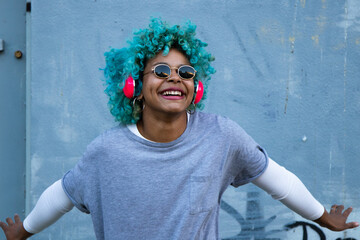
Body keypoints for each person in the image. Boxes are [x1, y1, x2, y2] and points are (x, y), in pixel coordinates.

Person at [0, 17, 358, 240]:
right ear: (133, 87)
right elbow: (61, 195)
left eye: (186, 73)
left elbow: (277, 178)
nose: (175, 77)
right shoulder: (105, 153)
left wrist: (323, 217)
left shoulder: (222, 137)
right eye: (160, 71)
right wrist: (24, 230)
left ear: (196, 87)